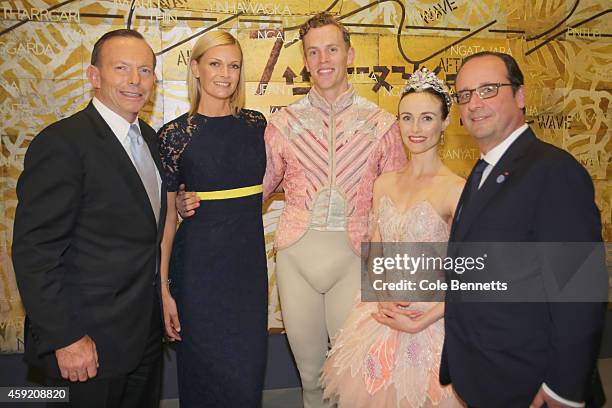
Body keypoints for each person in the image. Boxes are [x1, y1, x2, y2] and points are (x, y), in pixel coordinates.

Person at [176, 12, 407, 407]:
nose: (323, 60)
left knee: (356, 378)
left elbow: (399, 207)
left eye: (332, 49)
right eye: (313, 52)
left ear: (350, 55)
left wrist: (402, 281)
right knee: (311, 378)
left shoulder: (383, 124)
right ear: (305, 60)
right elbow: (251, 191)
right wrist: (188, 200)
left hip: (355, 259)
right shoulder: (282, 124)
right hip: (296, 258)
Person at [440, 51, 607, 407]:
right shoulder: (482, 171)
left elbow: (580, 291)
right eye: (465, 94)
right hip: (486, 373)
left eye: (488, 89)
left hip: (531, 380)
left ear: (520, 95)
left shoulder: (553, 172)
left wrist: (563, 388)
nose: (474, 103)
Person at [12, 29, 164, 407]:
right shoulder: (63, 143)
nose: (135, 80)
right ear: (94, 76)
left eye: (144, 70)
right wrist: (65, 337)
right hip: (85, 344)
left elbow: (139, 225)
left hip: (143, 336)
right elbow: (35, 253)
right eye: (122, 68)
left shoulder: (150, 140)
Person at [320, 68, 465, 407]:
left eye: (427, 118)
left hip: (432, 321)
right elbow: (375, 251)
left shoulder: (457, 189)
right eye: (407, 118)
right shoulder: (384, 183)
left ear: (444, 123)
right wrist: (380, 295)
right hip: (381, 315)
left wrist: (425, 317)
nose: (415, 129)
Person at [157, 30, 268, 407]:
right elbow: (168, 221)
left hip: (247, 274)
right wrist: (164, 288)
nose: (225, 73)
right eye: (216, 63)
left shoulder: (257, 125)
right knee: (202, 376)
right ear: (196, 69)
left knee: (246, 375)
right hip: (199, 274)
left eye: (234, 65)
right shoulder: (173, 135)